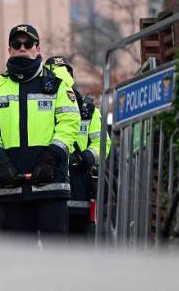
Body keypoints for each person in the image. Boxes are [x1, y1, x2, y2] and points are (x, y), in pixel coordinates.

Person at [0, 24, 80, 236]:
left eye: (28, 43)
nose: (22, 48)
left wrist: (51, 158)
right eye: (17, 44)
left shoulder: (59, 86)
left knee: (56, 255)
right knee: (18, 258)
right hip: (11, 185)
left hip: (50, 184)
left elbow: (69, 124)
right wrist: (0, 161)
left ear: (38, 49)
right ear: (10, 50)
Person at [45, 56, 111, 235]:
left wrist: (84, 158)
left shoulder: (89, 111)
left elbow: (102, 144)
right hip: (55, 181)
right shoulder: (42, 104)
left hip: (75, 184)